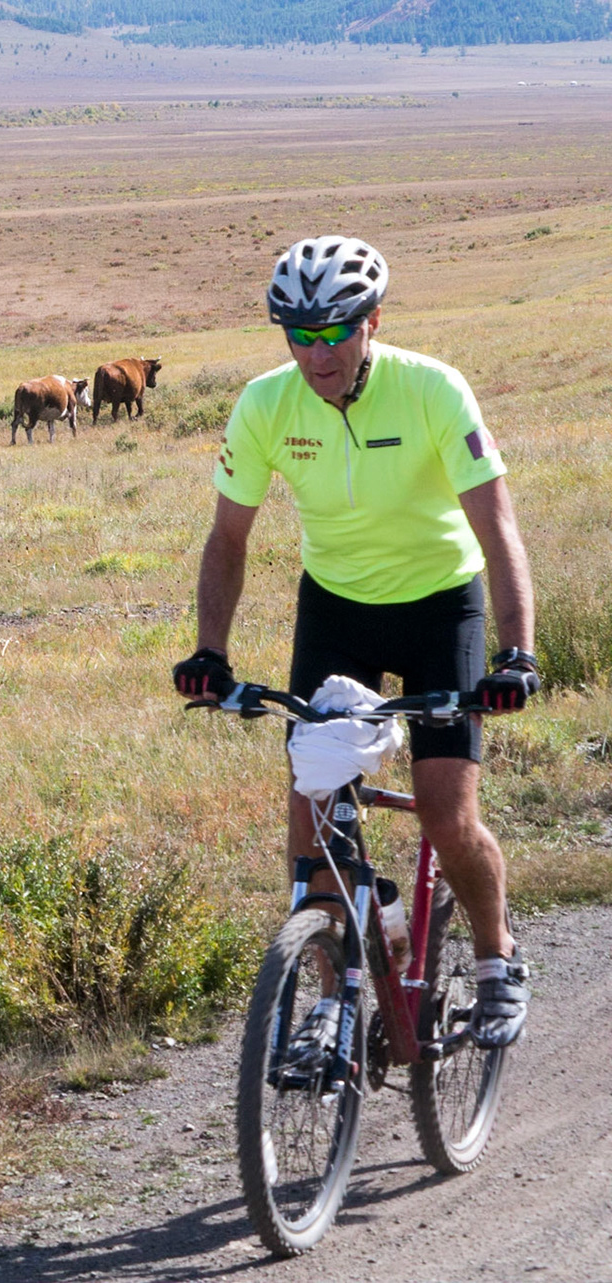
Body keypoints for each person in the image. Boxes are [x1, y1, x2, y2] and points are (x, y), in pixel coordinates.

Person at [173, 236, 537, 1049]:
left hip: (443, 606)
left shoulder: (434, 390)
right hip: (336, 611)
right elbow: (228, 540)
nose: (317, 353)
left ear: (372, 322)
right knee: (314, 827)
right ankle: (337, 998)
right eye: (299, 335)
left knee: (446, 811)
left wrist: (518, 653)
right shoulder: (266, 405)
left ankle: (495, 956)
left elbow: (498, 526)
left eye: (335, 332)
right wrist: (211, 652)